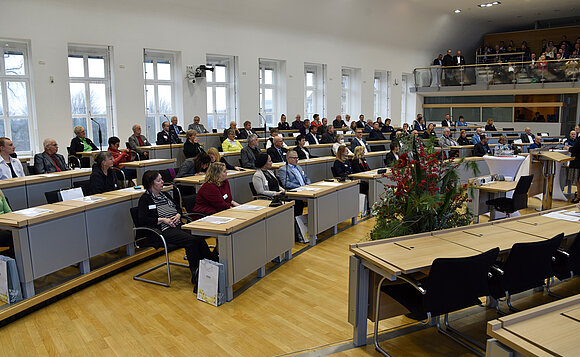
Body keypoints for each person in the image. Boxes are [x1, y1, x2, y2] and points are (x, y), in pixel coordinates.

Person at [138, 169, 216, 290]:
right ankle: (196, 272)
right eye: (159, 180)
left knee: (198, 237)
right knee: (191, 240)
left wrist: (179, 215)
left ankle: (211, 266)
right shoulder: (145, 199)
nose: (162, 182)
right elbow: (143, 219)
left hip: (178, 225)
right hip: (163, 230)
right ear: (150, 184)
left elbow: (178, 208)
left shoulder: (165, 194)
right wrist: (163, 220)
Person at [277, 150, 311, 216]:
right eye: (294, 158)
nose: (296, 160)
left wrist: (308, 184)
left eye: (297, 158)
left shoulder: (299, 167)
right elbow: (286, 183)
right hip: (294, 192)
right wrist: (300, 187)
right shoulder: (283, 169)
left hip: (304, 189)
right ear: (288, 159)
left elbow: (306, 178)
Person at [568, 138, 580, 203]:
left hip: (578, 163)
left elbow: (575, 149)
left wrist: (569, 148)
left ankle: (578, 196)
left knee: (578, 181)